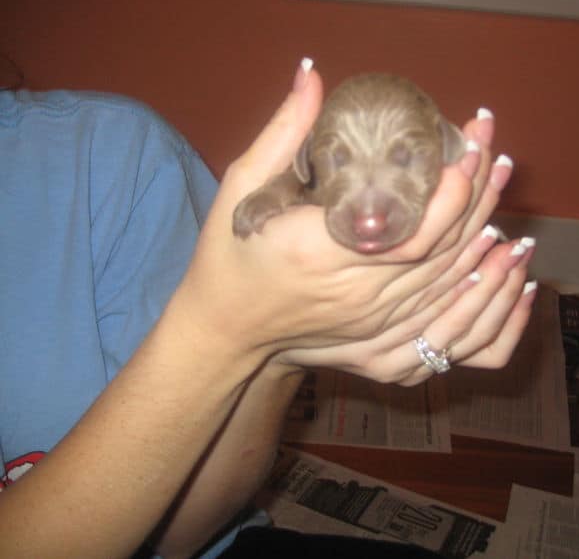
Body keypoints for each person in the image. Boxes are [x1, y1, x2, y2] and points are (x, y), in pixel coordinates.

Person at [0, 58, 536, 558]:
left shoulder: (108, 152)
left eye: (404, 156)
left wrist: (278, 347)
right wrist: (228, 332)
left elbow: (181, 537)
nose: (371, 213)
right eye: (338, 158)